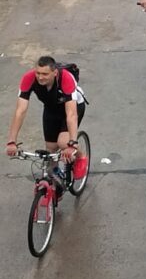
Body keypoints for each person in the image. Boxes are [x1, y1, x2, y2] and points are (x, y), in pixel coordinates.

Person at [6, 57, 88, 186]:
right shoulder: (29, 78)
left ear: (55, 72)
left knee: (63, 142)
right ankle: (55, 181)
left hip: (74, 107)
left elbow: (71, 115)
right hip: (51, 109)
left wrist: (72, 143)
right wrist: (12, 141)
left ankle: (81, 157)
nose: (40, 77)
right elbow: (20, 111)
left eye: (45, 74)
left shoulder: (65, 78)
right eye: (38, 73)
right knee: (50, 151)